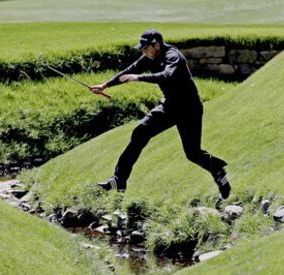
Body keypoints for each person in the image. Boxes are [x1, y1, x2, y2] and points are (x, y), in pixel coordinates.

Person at [90, 30, 231, 199]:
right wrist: (105, 85)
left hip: (189, 109)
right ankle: (119, 180)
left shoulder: (173, 56)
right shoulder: (149, 56)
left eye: (145, 48)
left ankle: (217, 170)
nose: (143, 52)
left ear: (156, 45)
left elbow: (167, 76)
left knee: (193, 153)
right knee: (140, 132)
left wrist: (139, 78)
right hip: (169, 106)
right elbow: (131, 70)